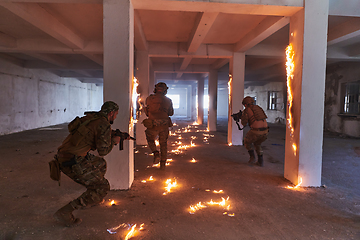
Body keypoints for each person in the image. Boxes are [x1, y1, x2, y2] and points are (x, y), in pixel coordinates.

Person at [53, 101, 126, 227]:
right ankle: (65, 212)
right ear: (111, 113)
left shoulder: (92, 117)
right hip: (71, 160)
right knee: (102, 186)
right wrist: (114, 141)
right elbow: (103, 151)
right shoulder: (103, 124)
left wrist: (114, 133)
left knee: (100, 163)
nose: (115, 117)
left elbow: (94, 131)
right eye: (116, 114)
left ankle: (92, 194)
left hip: (65, 155)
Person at [143, 82, 174, 170]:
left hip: (152, 125)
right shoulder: (168, 100)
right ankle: (163, 164)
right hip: (164, 125)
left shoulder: (149, 99)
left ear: (156, 89)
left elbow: (147, 113)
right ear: (165, 90)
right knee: (163, 144)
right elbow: (171, 113)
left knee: (150, 139)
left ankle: (155, 153)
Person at [241, 96, 269, 166]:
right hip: (265, 132)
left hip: (256, 131)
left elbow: (243, 123)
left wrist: (241, 117)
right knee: (257, 144)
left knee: (246, 141)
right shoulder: (258, 108)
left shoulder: (247, 110)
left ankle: (252, 158)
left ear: (245, 104)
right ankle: (260, 161)